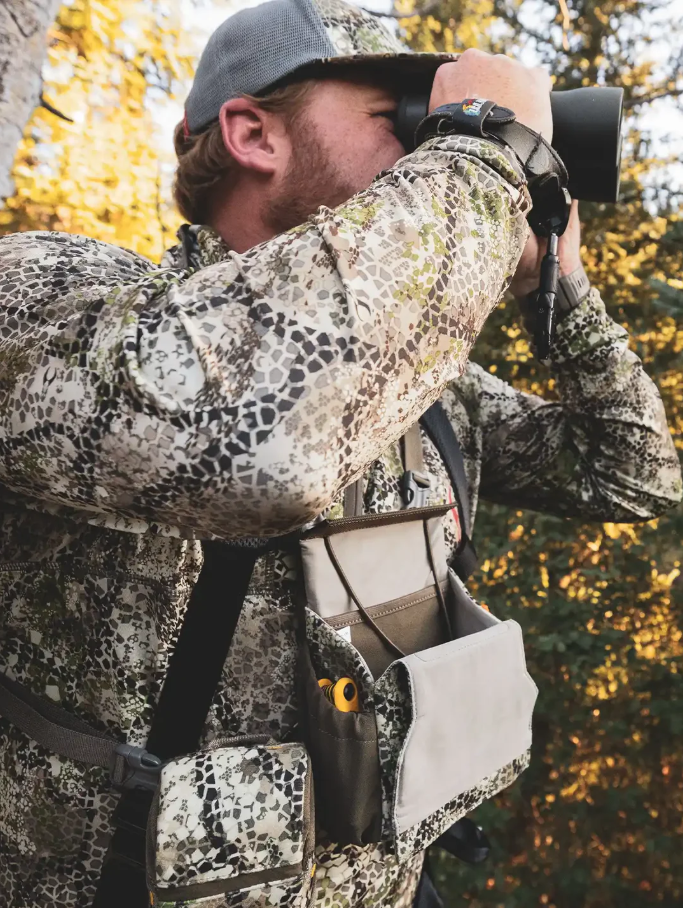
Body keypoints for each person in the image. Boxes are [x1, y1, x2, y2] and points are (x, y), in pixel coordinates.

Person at [0, 0, 680, 905]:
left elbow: (630, 472)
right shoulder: (51, 295)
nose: (433, 136)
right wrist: (480, 155)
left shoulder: (426, 382)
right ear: (252, 133)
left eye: (441, 115)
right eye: (403, 110)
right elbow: (257, 434)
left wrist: (561, 287)